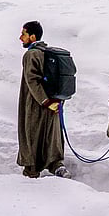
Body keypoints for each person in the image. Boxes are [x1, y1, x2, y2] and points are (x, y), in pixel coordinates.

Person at [17, 20, 70, 179]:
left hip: (36, 103)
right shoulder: (48, 53)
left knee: (32, 134)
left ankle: (32, 170)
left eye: (24, 34)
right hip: (54, 103)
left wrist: (44, 101)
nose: (21, 38)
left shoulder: (31, 54)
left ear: (33, 37)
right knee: (51, 134)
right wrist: (52, 102)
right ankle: (56, 165)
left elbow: (32, 80)